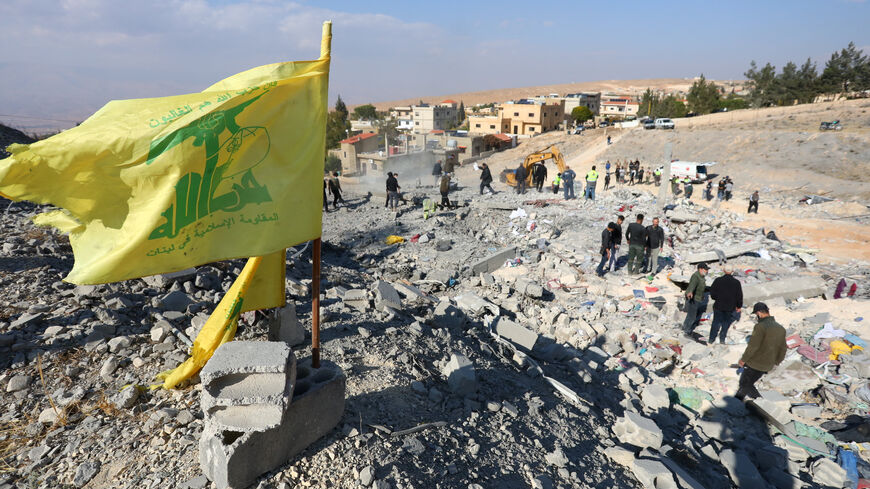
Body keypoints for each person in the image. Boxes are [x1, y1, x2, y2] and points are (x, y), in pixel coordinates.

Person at [736, 302, 787, 401]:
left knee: (745, 384)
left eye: (756, 314)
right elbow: (783, 348)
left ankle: (758, 402)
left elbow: (753, 346)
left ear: (759, 313)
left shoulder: (760, 326)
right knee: (748, 384)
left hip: (755, 362)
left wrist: (743, 359)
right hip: (768, 364)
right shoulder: (781, 329)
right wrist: (777, 361)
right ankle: (744, 401)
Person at [709, 266, 743, 345]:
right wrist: (739, 306)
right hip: (730, 307)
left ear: (723, 270)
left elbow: (712, 293)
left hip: (718, 305)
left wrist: (717, 298)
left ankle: (711, 339)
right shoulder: (736, 283)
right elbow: (739, 296)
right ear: (732, 271)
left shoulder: (718, 280)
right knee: (726, 323)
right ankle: (722, 339)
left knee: (716, 322)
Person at [682, 263, 709, 337]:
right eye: (705, 269)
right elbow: (692, 285)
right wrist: (690, 292)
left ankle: (684, 327)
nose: (706, 271)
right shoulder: (696, 276)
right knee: (692, 316)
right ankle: (687, 331)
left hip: (697, 298)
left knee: (691, 314)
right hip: (694, 298)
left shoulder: (701, 276)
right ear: (700, 269)